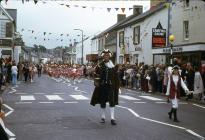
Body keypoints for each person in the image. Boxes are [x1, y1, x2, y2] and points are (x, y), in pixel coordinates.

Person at [90, 49, 119, 125]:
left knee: (112, 101)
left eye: (107, 55)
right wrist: (95, 76)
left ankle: (112, 118)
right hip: (102, 86)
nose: (106, 56)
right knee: (103, 101)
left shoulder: (113, 66)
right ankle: (103, 117)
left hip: (111, 86)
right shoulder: (100, 65)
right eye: (105, 55)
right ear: (103, 56)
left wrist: (118, 87)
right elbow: (95, 74)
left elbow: (116, 78)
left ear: (109, 56)